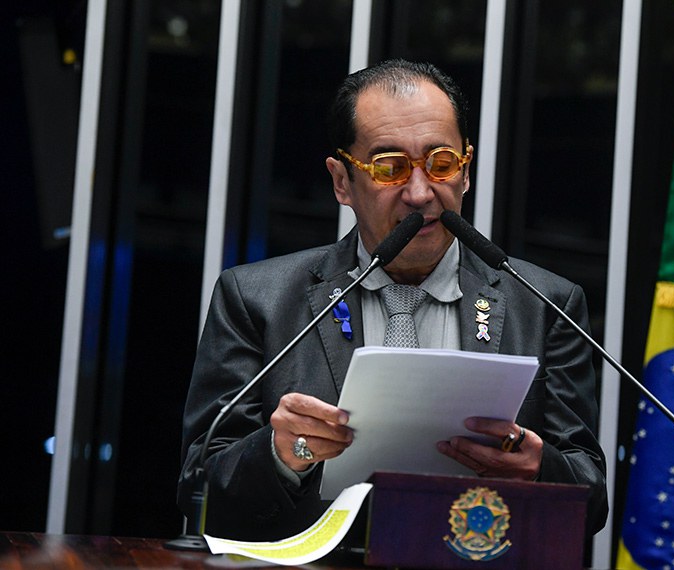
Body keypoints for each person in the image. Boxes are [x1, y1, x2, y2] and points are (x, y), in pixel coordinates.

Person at [178, 59, 608, 542]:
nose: (421, 193)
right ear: (342, 181)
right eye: (389, 168)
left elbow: (590, 502)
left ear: (465, 171)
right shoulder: (257, 299)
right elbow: (199, 489)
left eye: (441, 163)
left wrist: (539, 468)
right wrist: (283, 454)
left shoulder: (545, 304)